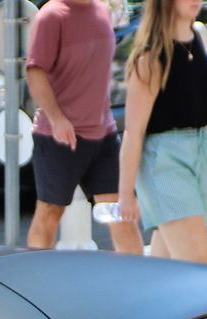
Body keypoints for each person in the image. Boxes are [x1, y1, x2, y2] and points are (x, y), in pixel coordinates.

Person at [25, 0, 140, 252]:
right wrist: (57, 118)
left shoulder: (101, 9)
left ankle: (138, 282)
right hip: (60, 137)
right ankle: (33, 282)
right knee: (49, 214)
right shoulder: (52, 15)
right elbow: (35, 71)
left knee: (120, 214)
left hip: (104, 134)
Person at [117, 0, 207, 262]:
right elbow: (133, 131)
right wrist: (126, 194)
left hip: (197, 154)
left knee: (167, 270)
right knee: (200, 263)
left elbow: (200, 107)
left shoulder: (196, 39)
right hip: (164, 162)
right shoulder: (150, 57)